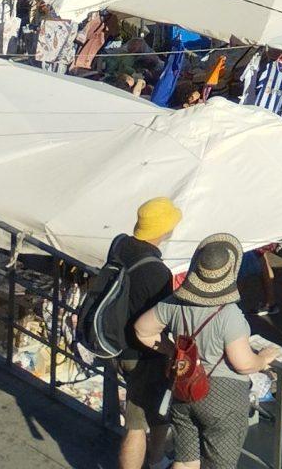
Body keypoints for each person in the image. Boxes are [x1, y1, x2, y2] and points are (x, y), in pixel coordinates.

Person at [135, 233, 282, 469]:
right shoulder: (229, 315)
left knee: (186, 460)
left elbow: (142, 330)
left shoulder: (174, 302)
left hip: (183, 386)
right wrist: (263, 359)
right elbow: (243, 363)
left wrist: (173, 351)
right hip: (222, 397)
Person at [105, 198, 182, 469]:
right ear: (164, 229)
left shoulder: (120, 245)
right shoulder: (157, 272)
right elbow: (165, 319)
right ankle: (152, 459)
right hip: (141, 354)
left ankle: (156, 459)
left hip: (115, 343)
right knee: (137, 425)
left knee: (160, 413)